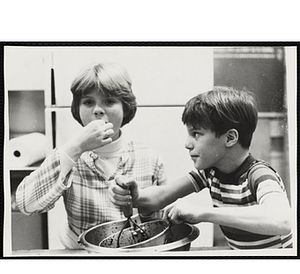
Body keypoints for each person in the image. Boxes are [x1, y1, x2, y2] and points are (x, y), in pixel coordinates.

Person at [109, 86, 293, 250]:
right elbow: (161, 196)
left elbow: (282, 220)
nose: (187, 144)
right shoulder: (210, 172)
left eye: (196, 134)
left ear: (230, 138)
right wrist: (135, 195)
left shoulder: (259, 175)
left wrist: (202, 213)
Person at [16, 62, 166, 249]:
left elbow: (160, 221)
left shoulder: (150, 157)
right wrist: (74, 149)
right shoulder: (68, 156)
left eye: (109, 101)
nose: (97, 110)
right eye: (88, 102)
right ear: (77, 109)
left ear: (125, 107)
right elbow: (26, 205)